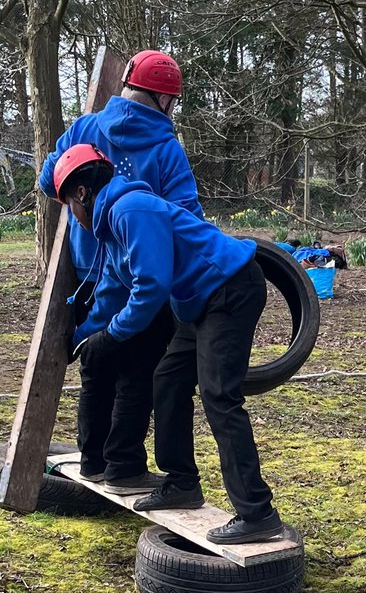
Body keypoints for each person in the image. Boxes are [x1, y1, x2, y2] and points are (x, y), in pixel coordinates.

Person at [52, 143, 285, 545]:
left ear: (81, 194)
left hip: (229, 289)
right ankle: (181, 483)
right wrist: (81, 338)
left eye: (67, 205)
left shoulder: (131, 210)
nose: (72, 216)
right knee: (168, 379)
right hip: (198, 302)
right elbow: (112, 290)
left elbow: (150, 288)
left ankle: (257, 513)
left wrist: (111, 337)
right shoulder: (112, 225)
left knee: (219, 396)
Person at [38, 50, 202, 493]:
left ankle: (93, 460)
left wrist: (81, 206)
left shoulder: (86, 128)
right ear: (165, 99)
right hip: (137, 274)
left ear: (128, 85)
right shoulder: (167, 149)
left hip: (87, 271)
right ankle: (124, 467)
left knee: (96, 359)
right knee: (138, 366)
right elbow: (186, 216)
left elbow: (46, 178)